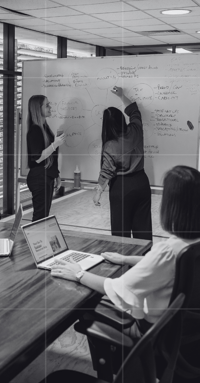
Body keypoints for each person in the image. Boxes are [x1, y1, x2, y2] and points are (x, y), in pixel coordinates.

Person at [52, 165, 200, 337]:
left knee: (89, 303)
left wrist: (79, 274)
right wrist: (126, 259)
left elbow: (118, 287)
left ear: (171, 206)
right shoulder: (187, 245)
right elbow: (168, 266)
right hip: (182, 328)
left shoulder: (166, 251)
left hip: (151, 330)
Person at [93, 86, 152, 240]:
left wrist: (98, 193)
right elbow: (134, 111)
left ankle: (123, 262)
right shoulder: (136, 129)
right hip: (141, 183)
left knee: (121, 234)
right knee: (143, 230)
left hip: (121, 188)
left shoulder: (110, 145)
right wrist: (122, 96)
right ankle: (143, 261)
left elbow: (106, 172)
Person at [26, 95, 65, 221]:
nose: (50, 107)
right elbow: (37, 158)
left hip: (46, 176)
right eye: (47, 105)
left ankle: (39, 241)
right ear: (38, 109)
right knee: (40, 217)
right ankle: (34, 241)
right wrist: (55, 144)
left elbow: (51, 157)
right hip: (39, 178)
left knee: (43, 217)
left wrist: (56, 175)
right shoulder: (35, 130)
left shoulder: (44, 127)